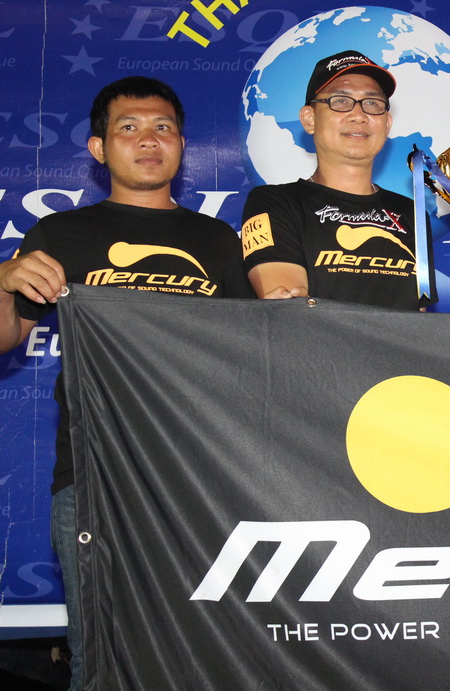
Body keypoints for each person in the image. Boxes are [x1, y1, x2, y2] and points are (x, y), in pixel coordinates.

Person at [0, 76, 253, 689]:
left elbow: (251, 360)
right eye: (129, 128)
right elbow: (5, 338)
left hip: (200, 480)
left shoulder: (219, 240)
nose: (148, 140)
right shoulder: (60, 236)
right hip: (95, 479)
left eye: (163, 128)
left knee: (206, 659)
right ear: (98, 148)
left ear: (182, 144)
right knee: (103, 663)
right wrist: (3, 280)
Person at [241, 50, 435, 309]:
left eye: (372, 103)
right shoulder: (274, 203)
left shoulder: (412, 214)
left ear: (387, 124)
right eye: (340, 101)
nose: (358, 115)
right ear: (309, 119)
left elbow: (420, 318)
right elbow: (290, 311)